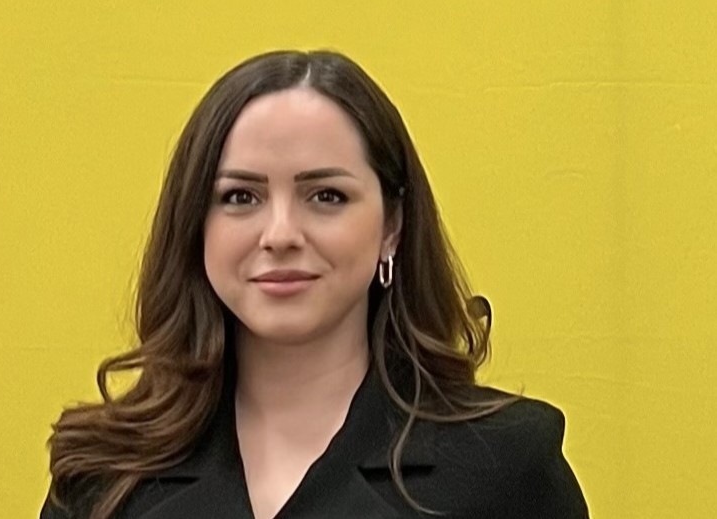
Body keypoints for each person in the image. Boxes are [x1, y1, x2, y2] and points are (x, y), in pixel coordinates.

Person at [40, 50, 589, 519]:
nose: (280, 234)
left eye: (326, 196)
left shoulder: (507, 467)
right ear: (196, 226)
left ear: (392, 226)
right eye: (240, 197)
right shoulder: (102, 476)